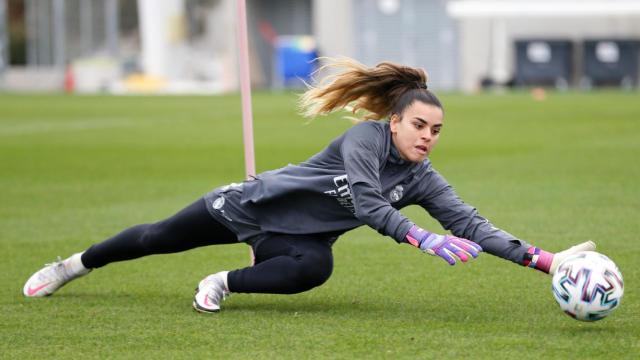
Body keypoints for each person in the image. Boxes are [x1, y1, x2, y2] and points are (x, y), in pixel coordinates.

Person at [23, 58, 595, 313]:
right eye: (419, 125)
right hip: (250, 207)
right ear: (394, 120)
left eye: (436, 130)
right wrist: (420, 239)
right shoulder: (363, 143)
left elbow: (469, 223)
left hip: (297, 240)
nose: (427, 137)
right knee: (153, 239)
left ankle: (221, 282)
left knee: (314, 270)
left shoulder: (422, 177)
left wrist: (544, 261)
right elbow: (369, 203)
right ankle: (74, 265)